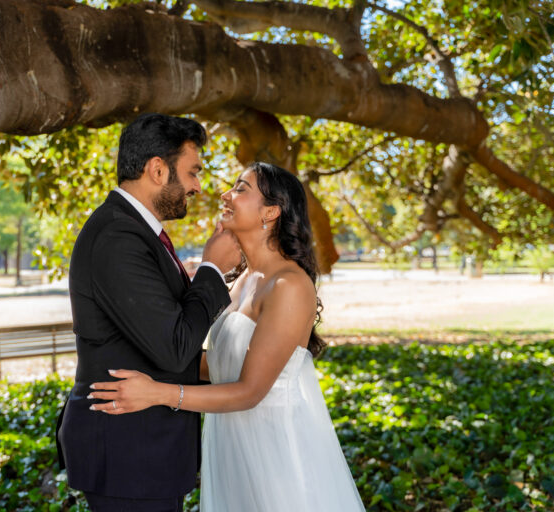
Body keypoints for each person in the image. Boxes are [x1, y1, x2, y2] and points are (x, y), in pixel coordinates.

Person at [89, 162, 366, 511]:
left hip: (276, 452)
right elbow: (218, 365)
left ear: (271, 211)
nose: (225, 194)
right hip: (232, 444)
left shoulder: (289, 285)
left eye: (241, 188)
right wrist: (141, 363)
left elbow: (250, 391)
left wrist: (158, 394)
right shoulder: (239, 282)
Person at [56, 113, 242, 512]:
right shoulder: (118, 236)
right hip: (127, 453)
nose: (197, 185)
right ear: (157, 169)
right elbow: (174, 347)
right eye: (193, 172)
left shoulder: (137, 231)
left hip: (142, 450)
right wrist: (211, 270)